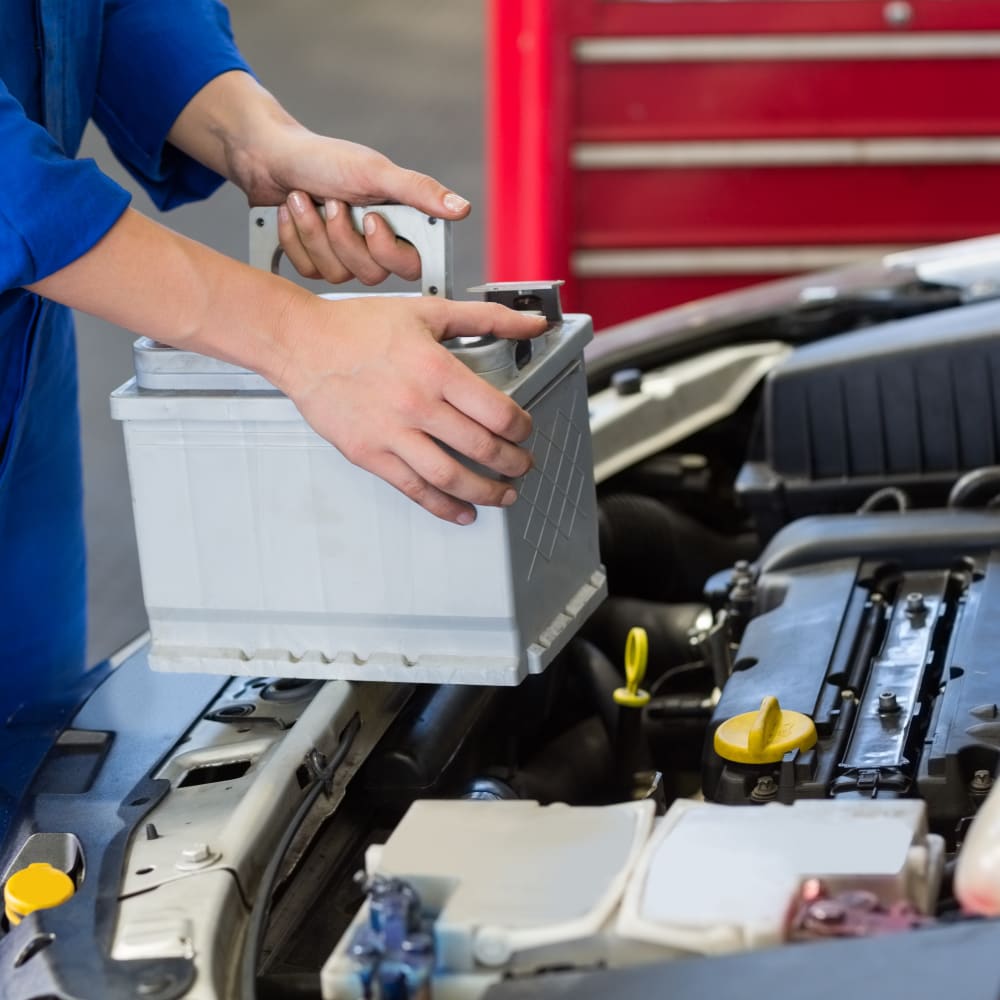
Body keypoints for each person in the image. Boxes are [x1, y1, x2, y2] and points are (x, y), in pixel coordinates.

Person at [0, 0, 545, 716]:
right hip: (37, 248)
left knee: (27, 738)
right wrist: (297, 339)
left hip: (25, 345)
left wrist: (256, 138)